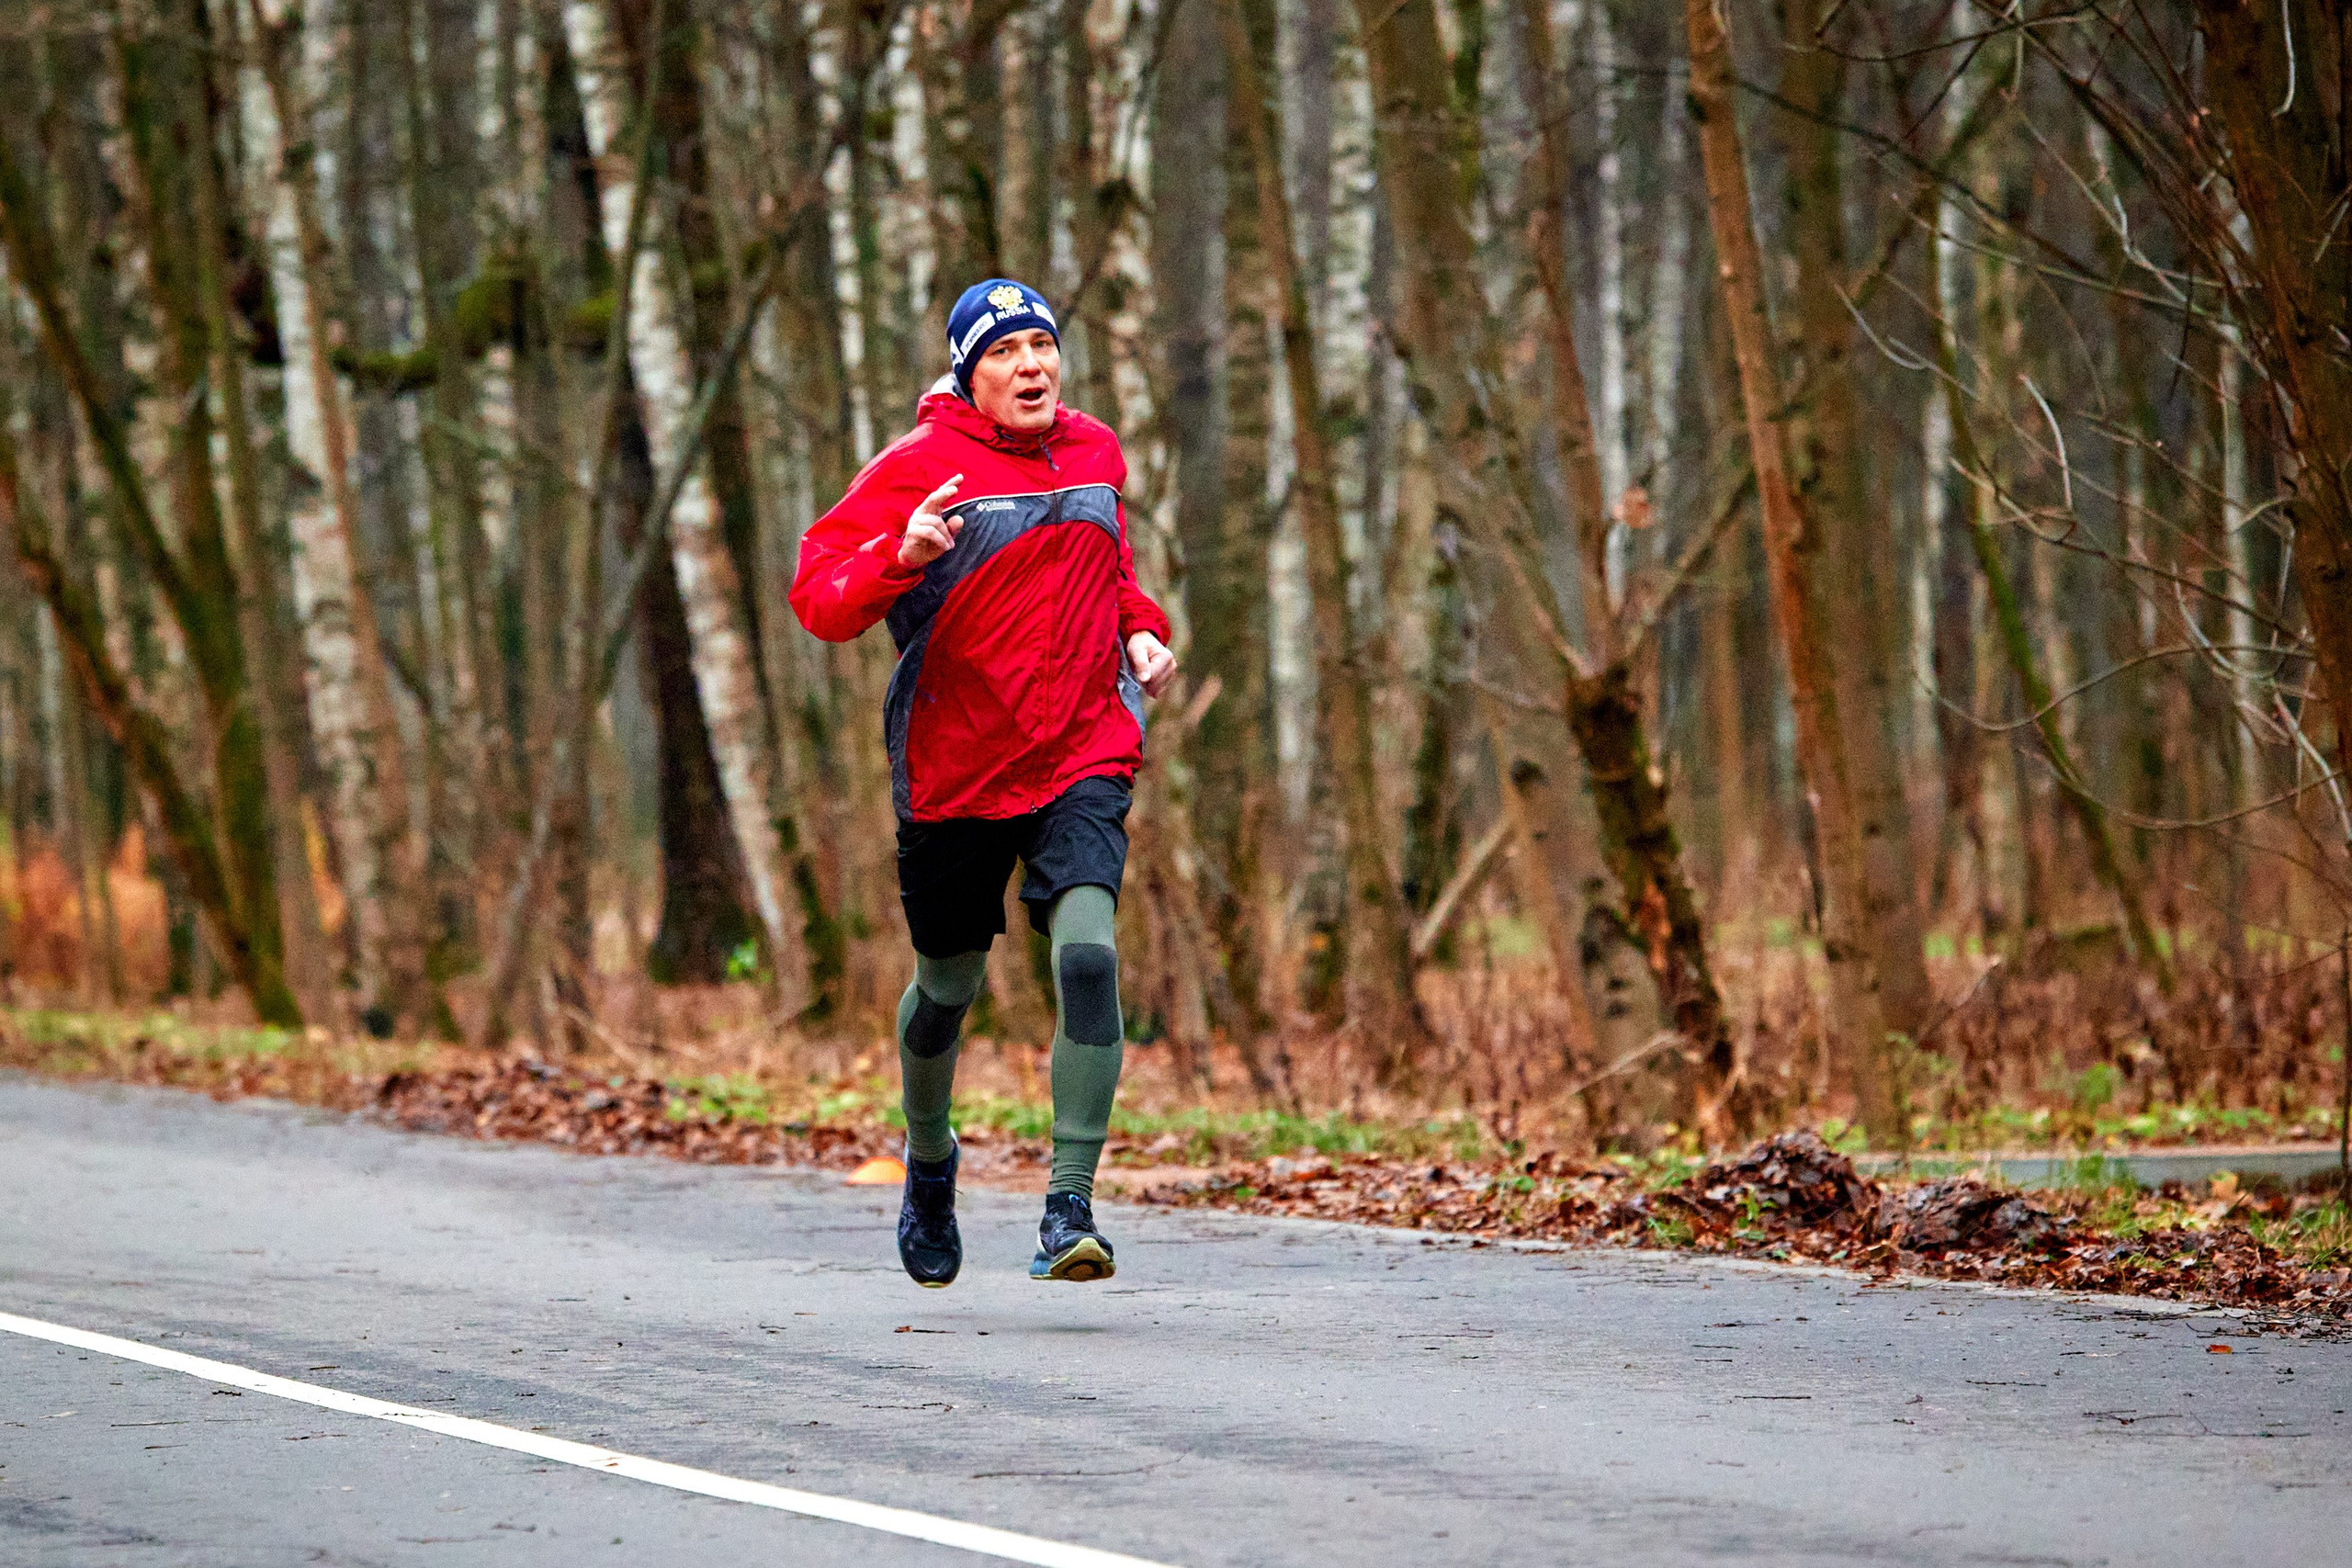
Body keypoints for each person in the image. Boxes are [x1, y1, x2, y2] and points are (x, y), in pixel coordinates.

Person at [789, 278, 1177, 1288]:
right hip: (957, 767)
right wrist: (897, 554)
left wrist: (1141, 628)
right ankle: (927, 1161)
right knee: (949, 988)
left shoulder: (1094, 450)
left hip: (1081, 748)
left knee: (1087, 958)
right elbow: (819, 599)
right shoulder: (918, 467)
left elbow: (1113, 565)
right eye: (1005, 352)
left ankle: (1069, 1207)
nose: (1032, 365)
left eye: (1043, 345)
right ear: (970, 372)